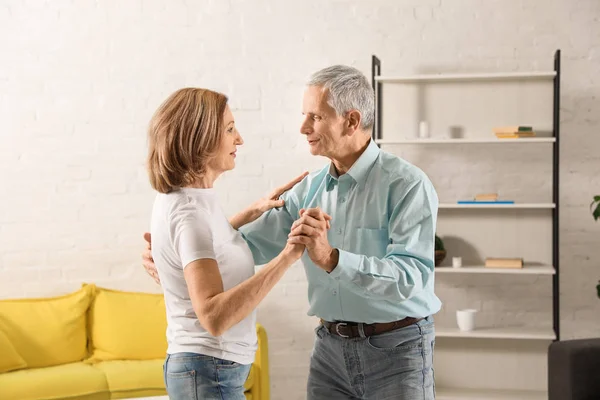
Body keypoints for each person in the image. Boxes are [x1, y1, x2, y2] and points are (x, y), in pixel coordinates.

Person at [143, 66, 441, 399]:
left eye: (316, 117)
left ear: (351, 121)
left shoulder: (407, 185)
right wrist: (177, 255)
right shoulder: (306, 190)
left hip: (396, 350)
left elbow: (412, 277)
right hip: (331, 351)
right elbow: (244, 248)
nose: (304, 128)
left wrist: (332, 258)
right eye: (305, 115)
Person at [146, 87, 325, 400]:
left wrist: (251, 211)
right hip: (209, 371)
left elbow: (204, 248)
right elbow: (214, 317)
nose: (239, 139)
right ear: (199, 137)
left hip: (207, 370)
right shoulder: (190, 214)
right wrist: (288, 255)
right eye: (229, 129)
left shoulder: (189, 198)